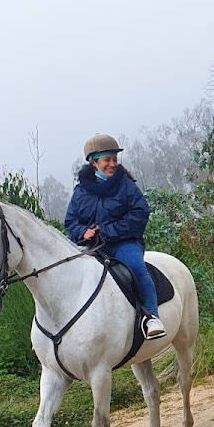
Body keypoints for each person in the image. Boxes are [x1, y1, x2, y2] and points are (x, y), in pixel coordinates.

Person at [65, 133, 166, 340]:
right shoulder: (80, 191)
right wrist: (83, 232)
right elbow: (71, 222)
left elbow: (140, 214)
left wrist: (107, 231)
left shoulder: (126, 185)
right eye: (107, 160)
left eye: (114, 159)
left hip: (124, 243)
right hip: (93, 247)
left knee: (136, 268)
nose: (112, 164)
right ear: (94, 163)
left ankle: (151, 317)